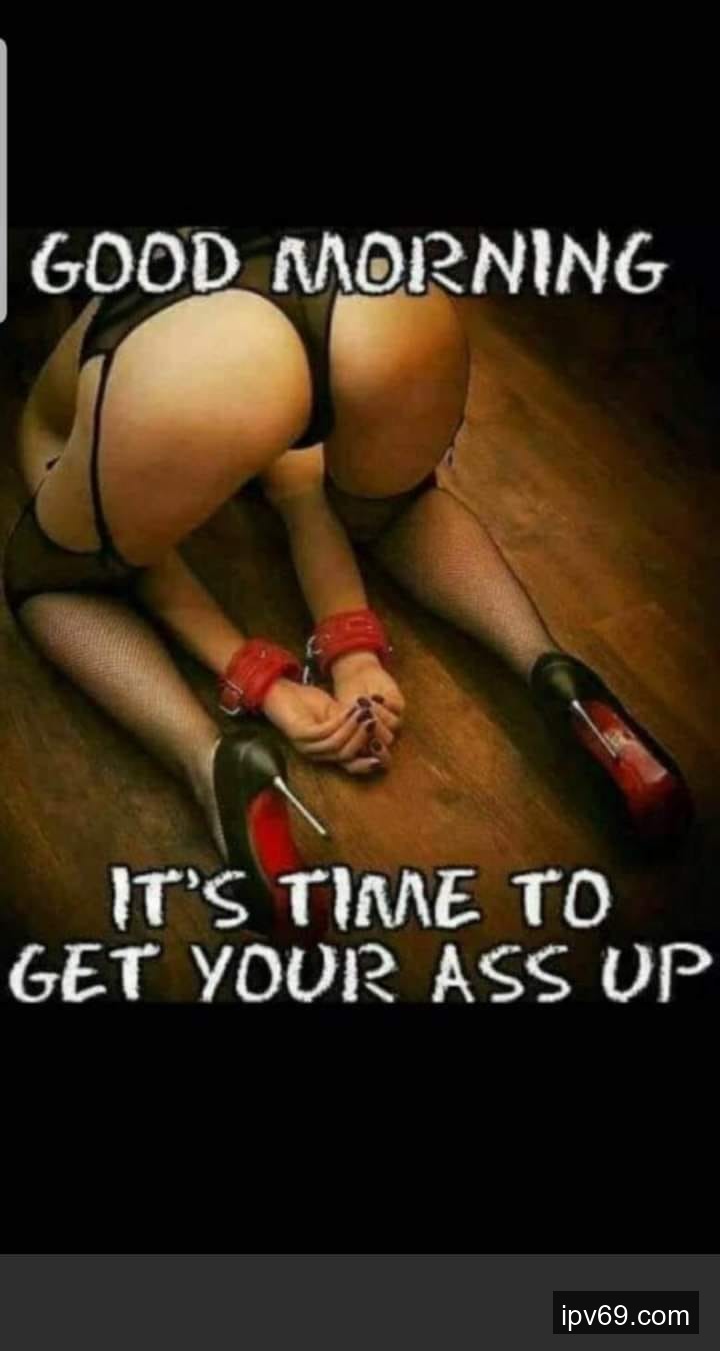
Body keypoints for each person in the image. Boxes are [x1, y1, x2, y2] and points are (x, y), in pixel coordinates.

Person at [3, 231, 693, 939]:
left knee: (57, 576)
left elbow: (135, 559)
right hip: (374, 291)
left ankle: (211, 763)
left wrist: (260, 678)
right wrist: (352, 652)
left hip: (193, 350)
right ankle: (554, 671)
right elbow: (304, 495)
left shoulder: (77, 359)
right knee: (393, 506)